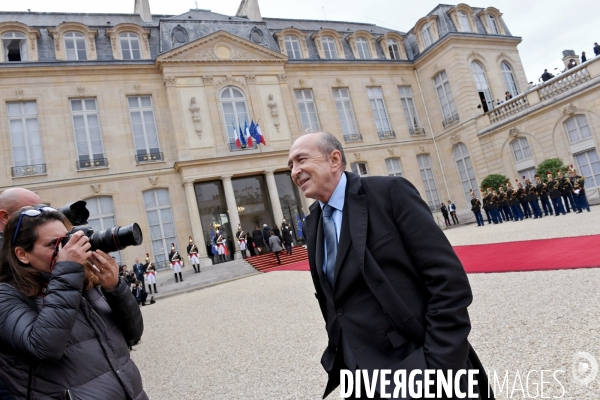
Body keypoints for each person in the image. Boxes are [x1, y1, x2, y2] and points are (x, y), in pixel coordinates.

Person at [288, 131, 491, 399]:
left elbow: (448, 281)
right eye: (290, 165)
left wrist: (438, 365)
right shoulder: (313, 221)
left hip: (417, 366)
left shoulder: (389, 193)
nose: (294, 171)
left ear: (334, 159)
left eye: (301, 159)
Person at [0, 206, 147, 399]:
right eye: (54, 244)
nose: (68, 250)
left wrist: (115, 288)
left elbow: (134, 333)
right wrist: (67, 270)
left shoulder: (83, 281)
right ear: (22, 254)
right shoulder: (7, 295)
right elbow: (45, 346)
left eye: (67, 240)